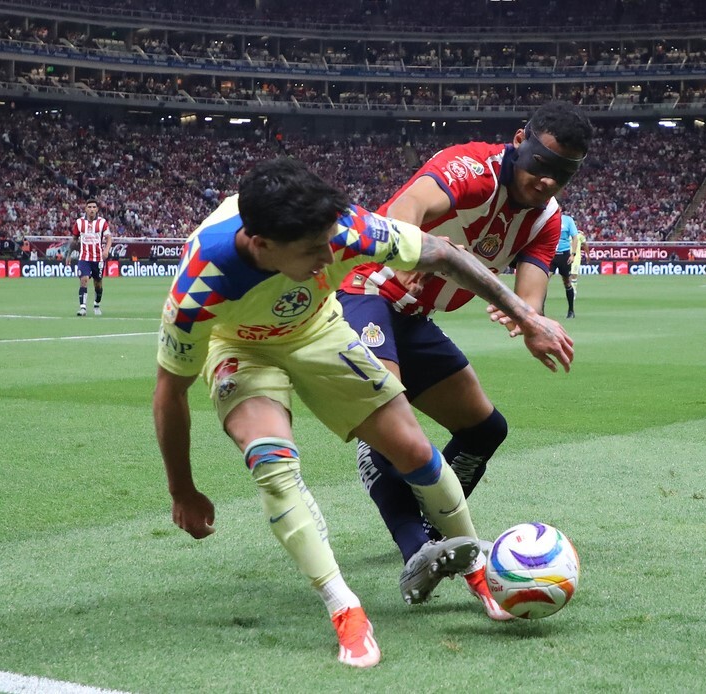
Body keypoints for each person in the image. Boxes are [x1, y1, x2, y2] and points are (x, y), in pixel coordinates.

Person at [153, 157, 573, 668]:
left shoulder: (344, 227)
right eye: (312, 252)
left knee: (414, 448)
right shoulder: (201, 284)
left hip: (318, 330)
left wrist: (526, 315)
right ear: (261, 245)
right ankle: (344, 609)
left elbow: (442, 253)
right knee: (271, 460)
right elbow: (169, 392)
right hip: (241, 347)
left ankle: (476, 569)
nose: (329, 256)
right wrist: (182, 490)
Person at [336, 102, 591, 619]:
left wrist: (530, 322)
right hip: (361, 288)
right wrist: (405, 254)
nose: (546, 181)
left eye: (561, 174)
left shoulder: (547, 220)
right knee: (396, 426)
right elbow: (407, 207)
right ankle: (416, 551)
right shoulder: (472, 168)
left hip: (412, 318)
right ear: (521, 140)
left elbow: (531, 293)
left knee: (485, 427)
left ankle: (432, 531)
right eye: (541, 163)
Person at [66, 200, 112, 316]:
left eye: (94, 207)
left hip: (98, 259)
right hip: (84, 257)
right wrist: (69, 255)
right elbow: (74, 239)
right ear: (85, 209)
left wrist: (106, 250)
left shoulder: (102, 223)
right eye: (89, 207)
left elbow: (109, 238)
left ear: (97, 209)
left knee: (98, 284)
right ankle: (83, 308)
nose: (92, 209)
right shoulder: (79, 223)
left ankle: (96, 305)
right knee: (84, 280)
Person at [550, 214, 580, 318]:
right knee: (544, 280)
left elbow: (575, 237)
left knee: (567, 281)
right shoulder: (548, 218)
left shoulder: (568, 220)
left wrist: (573, 254)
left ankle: (571, 311)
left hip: (564, 255)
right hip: (551, 255)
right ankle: (540, 312)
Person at [570, 223, 586, 289]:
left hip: (575, 257)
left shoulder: (579, 235)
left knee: (574, 274)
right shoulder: (566, 234)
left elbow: (584, 244)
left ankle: (573, 291)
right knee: (568, 276)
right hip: (566, 256)